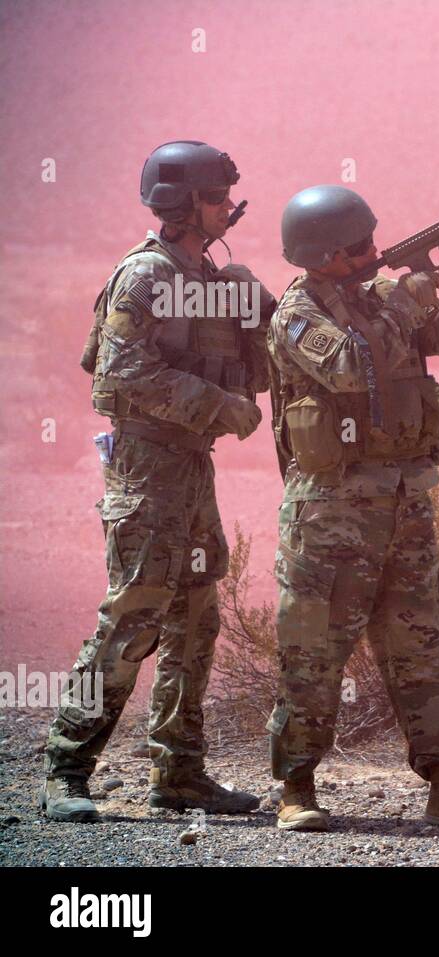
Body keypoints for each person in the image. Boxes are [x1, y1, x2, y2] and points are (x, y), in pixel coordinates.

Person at [267, 185, 439, 832]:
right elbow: (349, 367)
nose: (375, 254)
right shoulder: (296, 314)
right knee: (315, 647)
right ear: (326, 255)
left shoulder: (378, 299)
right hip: (331, 512)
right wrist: (407, 299)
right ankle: (296, 786)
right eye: (362, 246)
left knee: (421, 645)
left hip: (406, 502)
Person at [41, 140, 272, 822]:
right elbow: (119, 375)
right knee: (132, 618)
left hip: (191, 465)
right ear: (183, 202)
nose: (230, 206)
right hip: (146, 465)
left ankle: (179, 772)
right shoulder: (144, 277)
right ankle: (65, 769)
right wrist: (219, 406)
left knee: (196, 617)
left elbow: (261, 363)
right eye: (217, 196)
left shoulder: (212, 276)